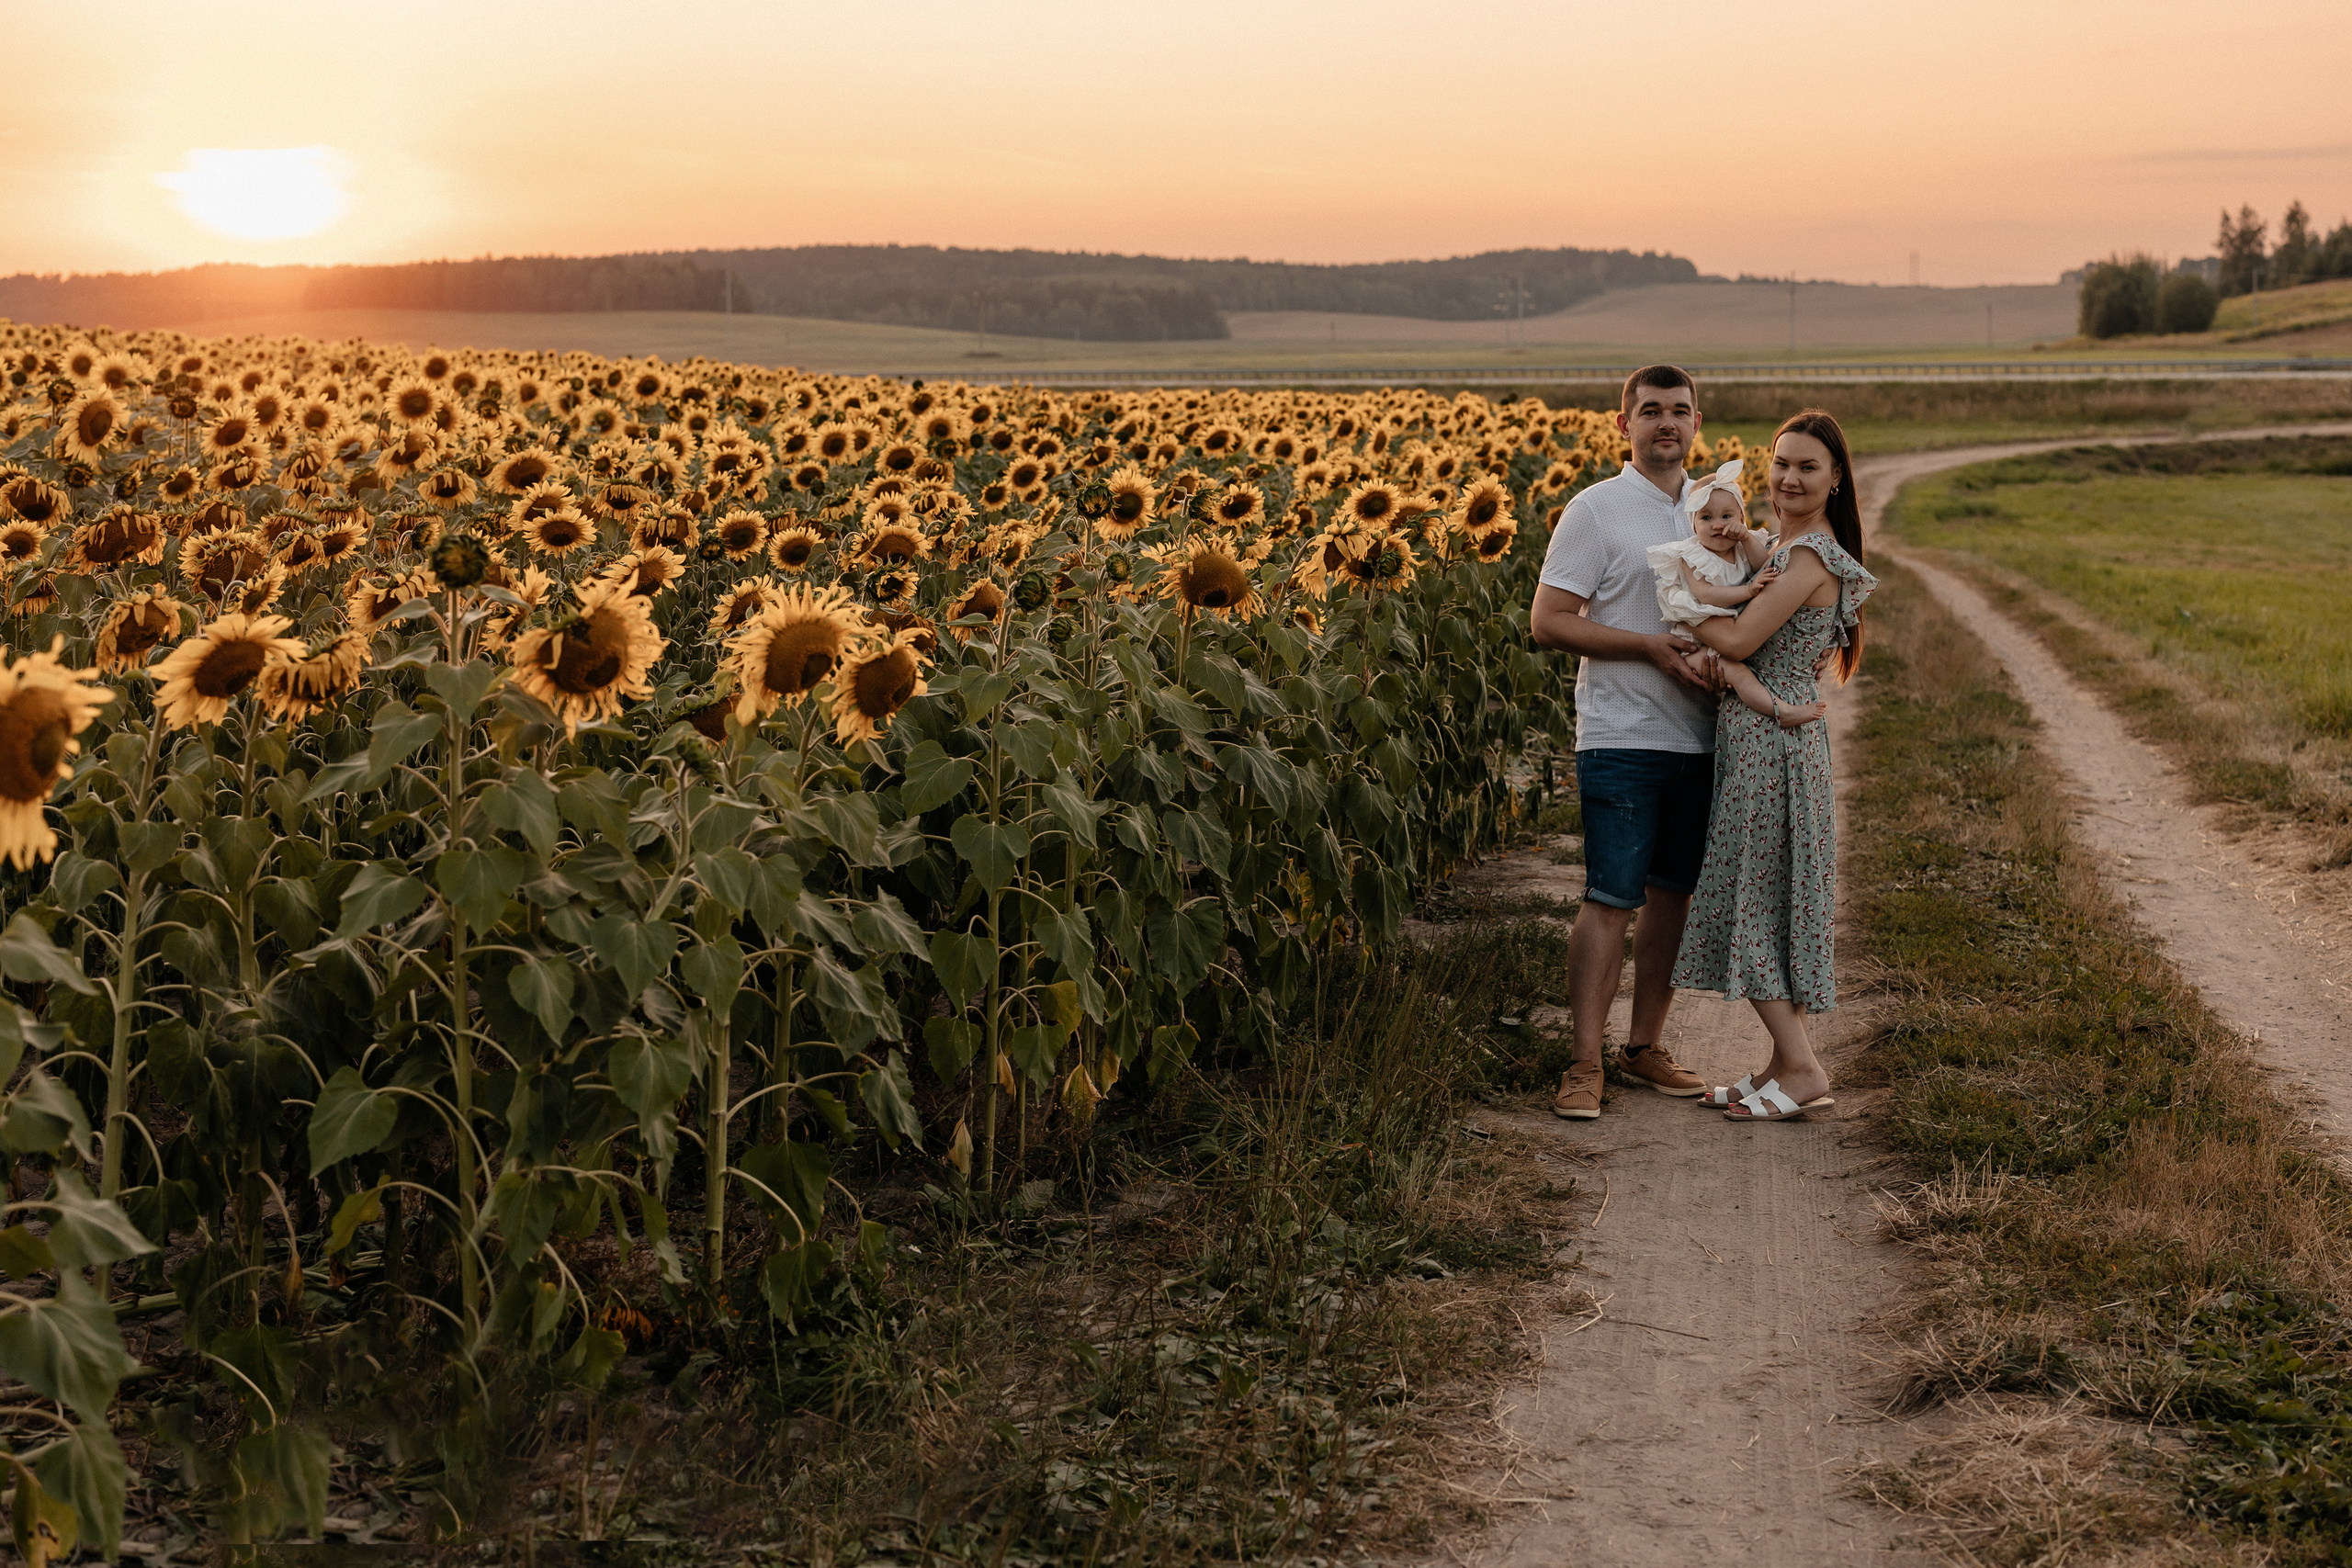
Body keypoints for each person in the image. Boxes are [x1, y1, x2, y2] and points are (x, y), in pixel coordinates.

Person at [1671, 409, 1876, 1122]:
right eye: (1781, 462)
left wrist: (1679, 604)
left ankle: (1803, 1066)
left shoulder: (1810, 556)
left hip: (1771, 746)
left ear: (1837, 478)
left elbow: (1740, 634)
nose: (1789, 476)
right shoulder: (1788, 547)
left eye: (1807, 466)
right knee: (1769, 895)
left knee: (1745, 900)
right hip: (1766, 740)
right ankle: (1777, 1064)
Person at [1529, 366, 1719, 1119]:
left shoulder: (1714, 507)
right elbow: (1549, 620)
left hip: (1702, 739)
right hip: (1622, 734)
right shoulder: (1596, 511)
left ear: (1698, 422)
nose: (1665, 423)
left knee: (1673, 896)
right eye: (1650, 412)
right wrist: (1648, 647)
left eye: (1679, 411)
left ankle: (1643, 1047)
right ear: (1623, 425)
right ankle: (1583, 1062)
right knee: (1610, 897)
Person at [1646, 461, 1825, 732]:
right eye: (1706, 518)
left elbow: (1762, 566)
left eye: (1727, 517)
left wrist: (1747, 540)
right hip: (1695, 647)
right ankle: (1780, 711)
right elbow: (1705, 595)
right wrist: (1748, 591)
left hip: (1730, 636)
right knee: (1739, 674)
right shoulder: (1692, 556)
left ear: (1742, 519)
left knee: (1751, 667)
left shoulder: (1742, 548)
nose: (1718, 525)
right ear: (1693, 524)